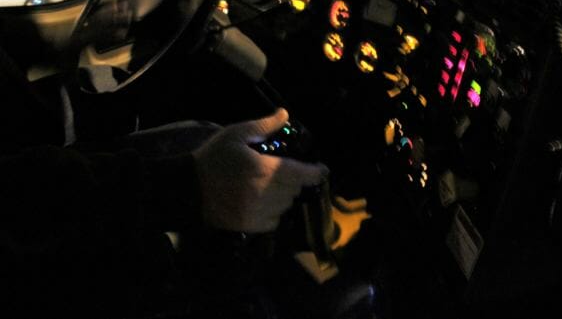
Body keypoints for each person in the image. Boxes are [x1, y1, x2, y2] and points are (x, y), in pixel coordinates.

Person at [0, 43, 328, 317]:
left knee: (198, 138)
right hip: (39, 265)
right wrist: (186, 187)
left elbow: (28, 126)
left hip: (49, 180)